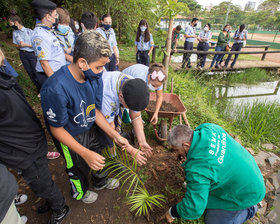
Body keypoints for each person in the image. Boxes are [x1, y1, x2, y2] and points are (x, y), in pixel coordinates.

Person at [40, 30, 139, 204]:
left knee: (97, 154)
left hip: (88, 127)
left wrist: (115, 136)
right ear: (82, 63)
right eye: (99, 67)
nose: (102, 72)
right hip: (69, 136)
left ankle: (100, 181)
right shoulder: (55, 89)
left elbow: (93, 111)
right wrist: (84, 153)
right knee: (76, 166)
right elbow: (56, 129)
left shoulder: (93, 78)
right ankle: (80, 191)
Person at [0, 69, 69, 224]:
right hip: (24, 143)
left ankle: (60, 207)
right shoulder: (5, 78)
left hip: (25, 149)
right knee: (39, 181)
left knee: (41, 183)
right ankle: (52, 202)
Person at [164, 123, 266, 224]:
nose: (178, 153)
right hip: (252, 171)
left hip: (248, 192)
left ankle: (252, 208)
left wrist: (172, 212)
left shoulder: (198, 168)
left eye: (177, 150)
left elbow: (194, 207)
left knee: (213, 220)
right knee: (205, 191)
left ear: (186, 145)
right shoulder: (208, 128)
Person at [97, 71, 153, 162]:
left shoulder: (134, 86)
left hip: (114, 100)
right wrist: (130, 149)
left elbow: (136, 116)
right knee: (104, 135)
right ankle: (112, 158)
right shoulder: (107, 96)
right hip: (93, 101)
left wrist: (142, 141)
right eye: (128, 107)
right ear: (121, 96)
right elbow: (109, 129)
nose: (130, 109)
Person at [31, 0, 66, 88]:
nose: (57, 17)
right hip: (50, 75)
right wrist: (57, 82)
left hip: (57, 72)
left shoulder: (49, 31)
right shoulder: (40, 36)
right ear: (48, 17)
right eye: (55, 15)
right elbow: (44, 63)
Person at [8, 14, 41, 93]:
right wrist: (19, 46)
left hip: (31, 54)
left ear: (16, 22)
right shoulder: (15, 33)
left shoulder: (29, 31)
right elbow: (16, 45)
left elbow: (36, 45)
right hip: (22, 54)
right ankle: (38, 89)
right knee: (30, 72)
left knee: (36, 71)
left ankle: (43, 88)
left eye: (10, 23)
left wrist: (25, 45)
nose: (10, 25)